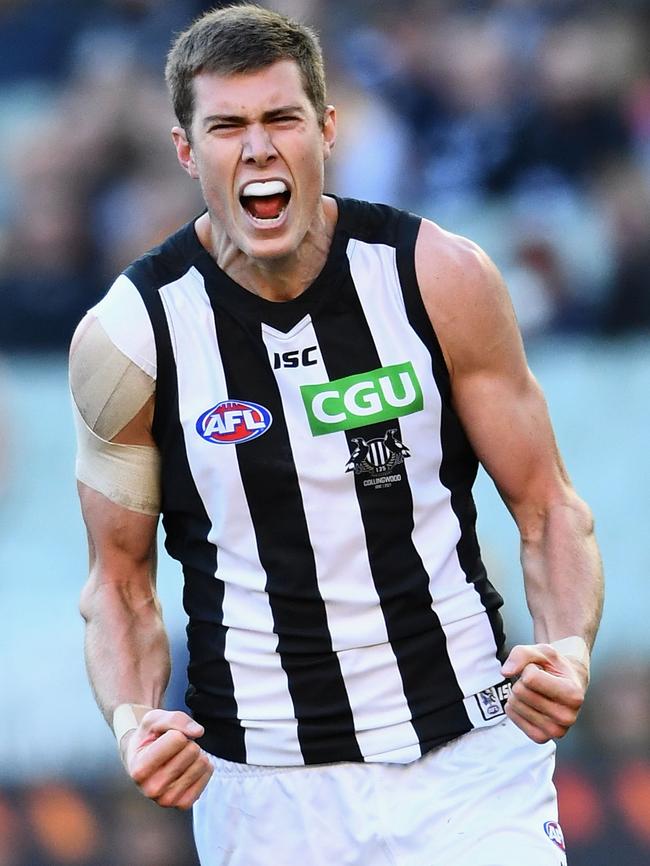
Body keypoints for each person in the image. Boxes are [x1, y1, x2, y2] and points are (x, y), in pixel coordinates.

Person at [69, 5, 603, 865]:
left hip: (468, 762)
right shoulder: (129, 338)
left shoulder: (437, 276)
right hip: (265, 794)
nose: (258, 149)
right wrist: (135, 721)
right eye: (227, 127)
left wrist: (569, 650)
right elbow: (119, 586)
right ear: (185, 150)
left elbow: (549, 509)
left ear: (326, 129)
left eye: (281, 119)